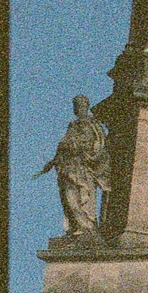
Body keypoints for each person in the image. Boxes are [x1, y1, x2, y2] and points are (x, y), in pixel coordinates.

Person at [46, 95, 108, 239]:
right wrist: (54, 160)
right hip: (68, 168)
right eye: (76, 106)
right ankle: (77, 226)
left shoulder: (92, 124)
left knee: (83, 198)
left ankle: (86, 227)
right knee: (68, 199)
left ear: (86, 107)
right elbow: (62, 146)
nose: (78, 109)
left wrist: (81, 149)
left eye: (80, 106)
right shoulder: (72, 126)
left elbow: (99, 146)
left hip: (83, 169)